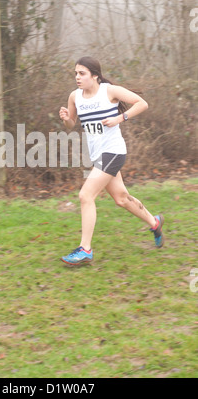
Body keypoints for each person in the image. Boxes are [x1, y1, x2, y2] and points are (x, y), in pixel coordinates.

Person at [59, 56, 164, 266]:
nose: (77, 77)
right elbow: (72, 125)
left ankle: (85, 249)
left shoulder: (109, 91)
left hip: (113, 152)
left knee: (85, 195)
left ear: (95, 76)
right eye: (75, 73)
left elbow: (142, 103)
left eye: (82, 73)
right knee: (121, 198)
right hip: (98, 155)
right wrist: (66, 119)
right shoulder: (75, 97)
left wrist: (119, 118)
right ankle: (155, 223)